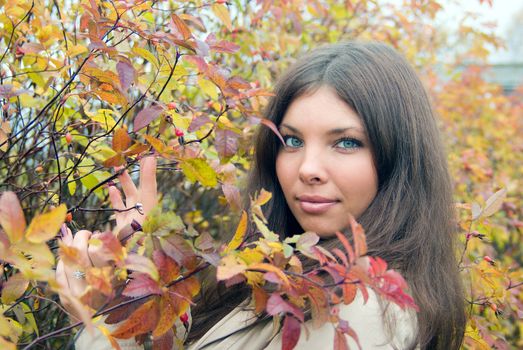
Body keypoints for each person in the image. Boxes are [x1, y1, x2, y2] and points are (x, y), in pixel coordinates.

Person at [56, 41, 466, 349]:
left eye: (345, 143)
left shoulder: (362, 309)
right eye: (291, 140)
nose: (307, 168)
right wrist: (130, 296)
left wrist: (94, 327)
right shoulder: (295, 274)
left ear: (398, 158)